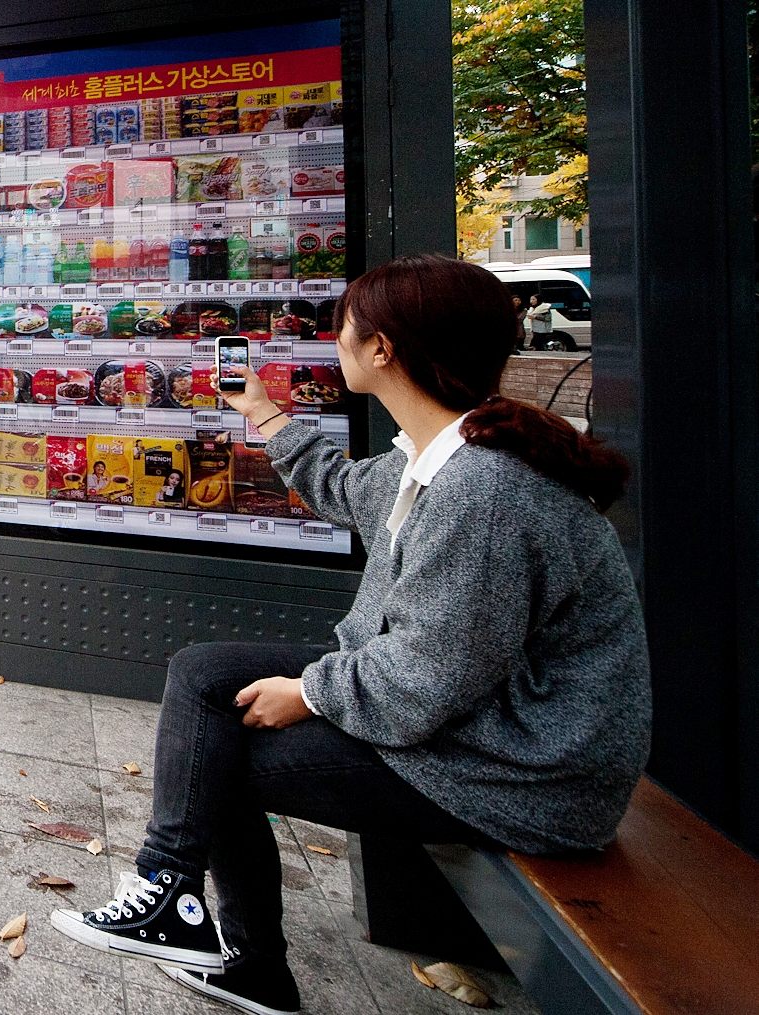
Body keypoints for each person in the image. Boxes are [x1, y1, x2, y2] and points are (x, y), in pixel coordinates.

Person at [49, 255, 651, 1015]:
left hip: (521, 768)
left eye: (346, 328)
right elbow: (344, 491)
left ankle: (245, 958)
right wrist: (261, 411)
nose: (337, 340)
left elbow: (426, 679)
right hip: (483, 720)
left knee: (217, 757)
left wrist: (308, 690)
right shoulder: (442, 454)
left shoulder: (483, 489)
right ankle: (173, 892)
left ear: (382, 349)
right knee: (204, 672)